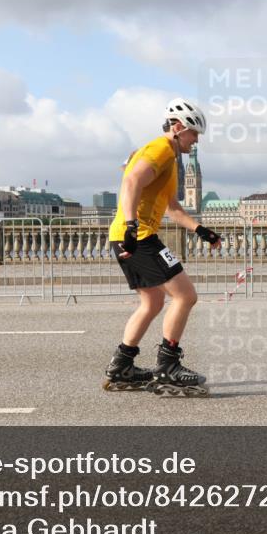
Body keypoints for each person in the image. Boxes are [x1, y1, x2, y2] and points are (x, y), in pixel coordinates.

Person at [103, 98, 221, 397]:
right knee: (186, 296)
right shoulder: (161, 149)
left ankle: (122, 366)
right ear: (178, 127)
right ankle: (168, 366)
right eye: (194, 133)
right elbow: (131, 181)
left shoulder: (169, 158)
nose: (196, 140)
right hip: (138, 237)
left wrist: (201, 230)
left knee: (153, 302)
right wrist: (132, 227)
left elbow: (172, 208)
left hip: (127, 236)